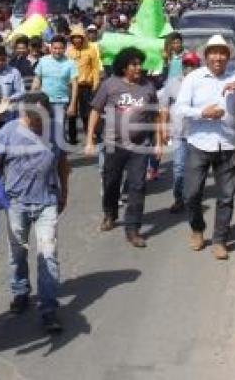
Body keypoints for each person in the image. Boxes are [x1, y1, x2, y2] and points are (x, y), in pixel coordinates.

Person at [0, 91, 68, 333]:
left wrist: (65, 193)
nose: (36, 123)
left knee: (48, 254)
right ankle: (20, 291)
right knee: (18, 252)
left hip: (47, 200)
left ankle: (49, 309)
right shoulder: (9, 131)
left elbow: (63, 163)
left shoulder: (54, 130)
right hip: (16, 202)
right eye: (32, 118)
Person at [176, 35, 235, 260]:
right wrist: (202, 113)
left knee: (226, 197)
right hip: (198, 143)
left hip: (226, 145)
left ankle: (220, 240)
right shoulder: (194, 78)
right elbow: (179, 108)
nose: (218, 57)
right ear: (206, 56)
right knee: (191, 194)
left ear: (228, 57)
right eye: (213, 53)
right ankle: (197, 229)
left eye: (222, 53)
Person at [86, 47, 162, 248]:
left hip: (139, 146)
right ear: (123, 66)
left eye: (140, 64)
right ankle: (110, 214)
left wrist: (159, 142)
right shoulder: (110, 85)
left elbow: (156, 115)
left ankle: (133, 229)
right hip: (113, 144)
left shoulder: (148, 87)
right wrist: (89, 140)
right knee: (111, 183)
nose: (138, 68)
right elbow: (95, 111)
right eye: (134, 64)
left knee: (138, 186)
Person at [159, 51, 201, 214]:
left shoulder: (202, 83)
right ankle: (179, 199)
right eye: (186, 65)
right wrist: (163, 128)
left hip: (198, 133)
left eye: (192, 65)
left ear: (198, 67)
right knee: (178, 167)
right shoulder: (172, 83)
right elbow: (164, 107)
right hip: (178, 132)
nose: (189, 68)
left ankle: (193, 197)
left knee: (196, 168)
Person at [32, 36, 79, 149]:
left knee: (58, 133)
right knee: (42, 131)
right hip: (43, 102)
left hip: (60, 102)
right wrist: (33, 98)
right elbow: (37, 80)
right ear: (51, 48)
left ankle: (59, 159)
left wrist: (72, 105)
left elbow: (75, 85)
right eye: (55, 48)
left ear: (65, 48)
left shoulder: (70, 63)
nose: (57, 51)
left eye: (60, 48)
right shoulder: (43, 61)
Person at [66, 25, 102, 146]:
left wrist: (96, 83)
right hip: (71, 85)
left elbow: (95, 68)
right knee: (72, 112)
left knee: (86, 113)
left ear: (83, 37)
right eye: (74, 37)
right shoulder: (69, 51)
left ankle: (90, 135)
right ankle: (72, 138)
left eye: (79, 37)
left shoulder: (90, 50)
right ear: (71, 38)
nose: (77, 39)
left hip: (86, 85)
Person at [0, 45, 25, 132]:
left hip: (7, 115)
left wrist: (9, 99)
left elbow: (21, 92)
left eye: (2, 60)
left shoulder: (14, 72)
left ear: (6, 58)